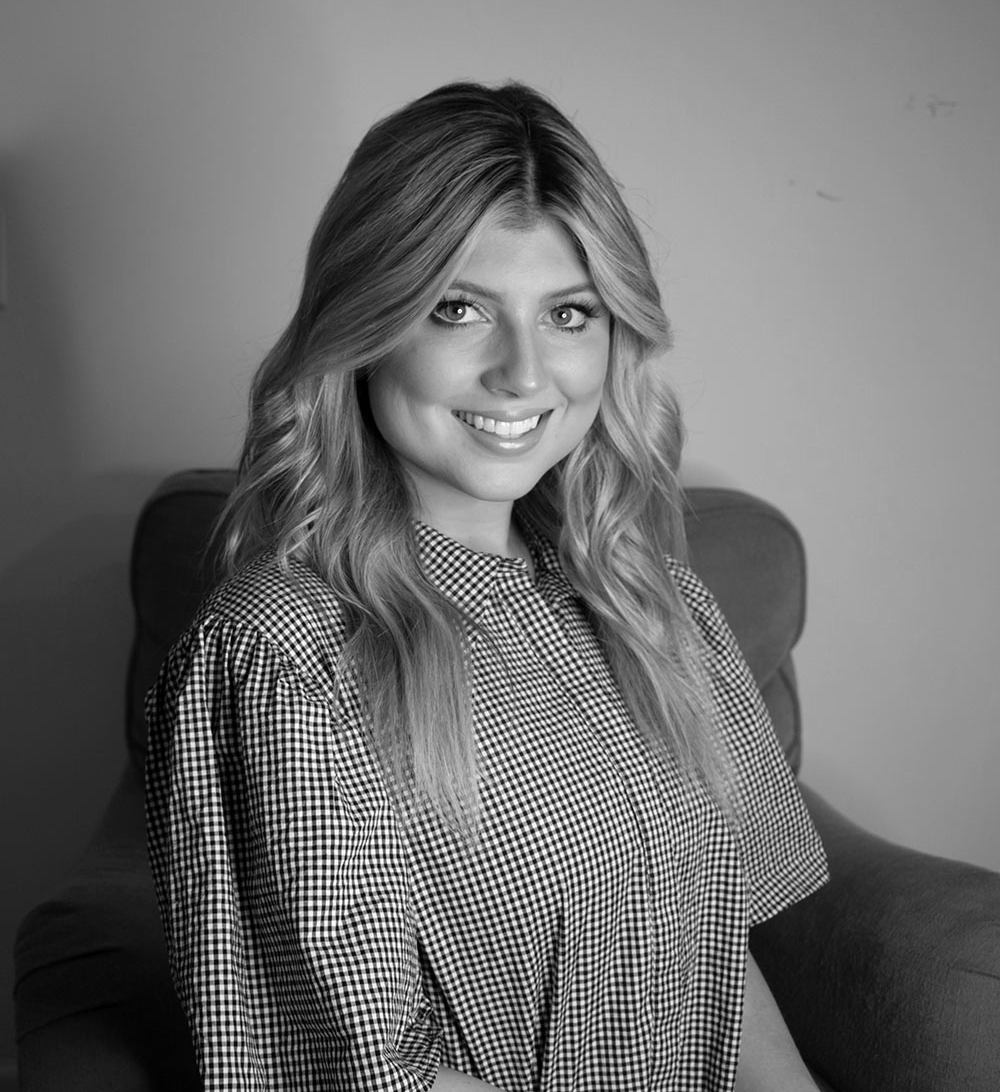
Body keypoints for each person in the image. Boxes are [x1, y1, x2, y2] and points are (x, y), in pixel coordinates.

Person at [145, 81, 828, 1091]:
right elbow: (368, 1071)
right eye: (456, 309)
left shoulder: (656, 601)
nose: (522, 373)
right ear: (364, 324)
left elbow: (713, 951)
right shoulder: (281, 658)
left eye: (567, 314)